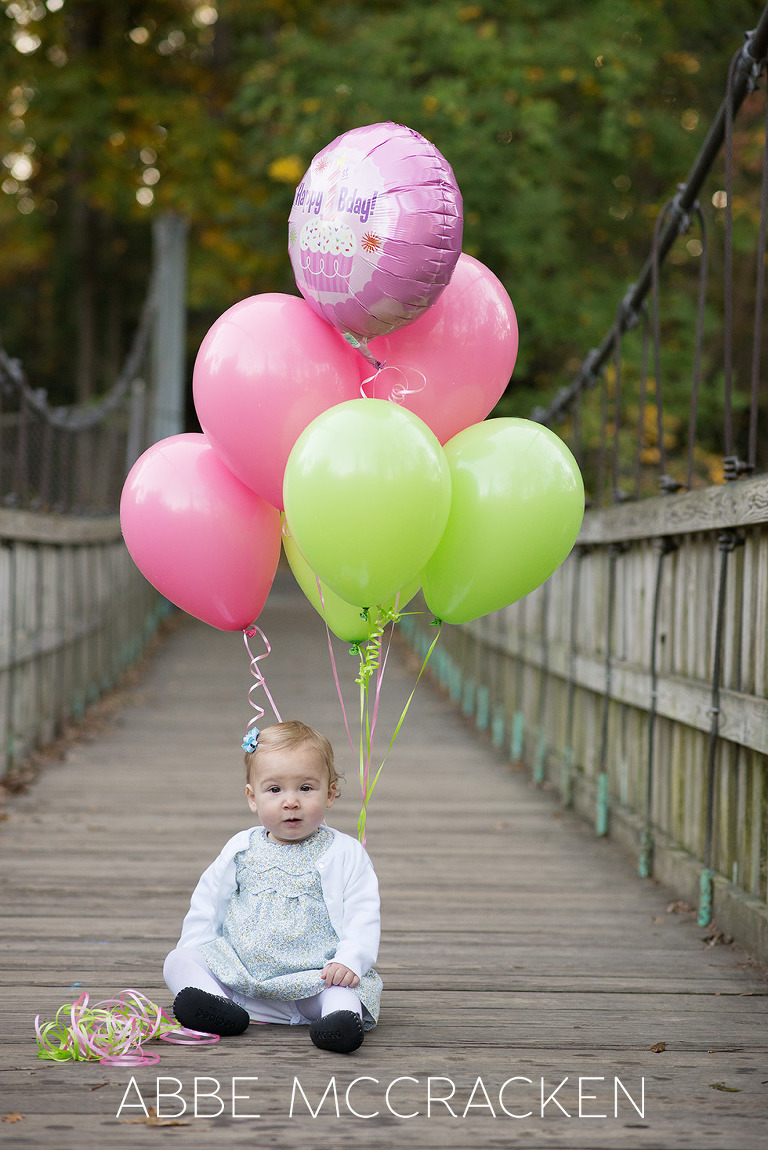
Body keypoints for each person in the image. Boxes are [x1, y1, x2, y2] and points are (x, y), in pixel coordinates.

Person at [163, 720, 381, 1054]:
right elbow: (208, 902)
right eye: (275, 790)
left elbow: (362, 912)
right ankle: (217, 1007)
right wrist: (199, 947)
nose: (290, 801)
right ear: (253, 797)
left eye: (306, 788)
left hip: (312, 980)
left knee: (343, 991)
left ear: (331, 792)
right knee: (179, 960)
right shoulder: (241, 847)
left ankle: (337, 1024)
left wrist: (350, 960)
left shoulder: (344, 852)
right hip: (241, 978)